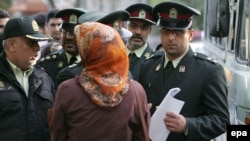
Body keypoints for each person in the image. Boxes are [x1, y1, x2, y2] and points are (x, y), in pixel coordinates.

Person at [138, 2, 229, 141]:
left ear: (190, 35)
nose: (171, 38)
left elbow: (221, 120)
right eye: (167, 31)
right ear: (161, 33)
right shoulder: (148, 65)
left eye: (178, 32)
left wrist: (187, 125)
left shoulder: (209, 71)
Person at [50, 22, 150, 141]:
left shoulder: (68, 90)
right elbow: (142, 136)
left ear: (87, 49)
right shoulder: (136, 91)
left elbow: (58, 135)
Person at [0, 16, 54, 141]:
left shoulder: (44, 78)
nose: (37, 48)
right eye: (31, 43)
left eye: (38, 43)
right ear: (12, 45)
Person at [55, 10, 133, 87]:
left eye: (118, 41)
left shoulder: (126, 73)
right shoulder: (72, 75)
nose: (118, 46)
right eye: (110, 42)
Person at [36, 8, 87, 87]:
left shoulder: (92, 64)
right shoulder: (47, 64)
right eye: (64, 32)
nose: (68, 37)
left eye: (74, 33)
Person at [125, 3, 156, 80]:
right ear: (125, 27)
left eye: (144, 27)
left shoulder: (156, 61)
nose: (138, 32)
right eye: (133, 26)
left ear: (150, 31)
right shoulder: (115, 56)